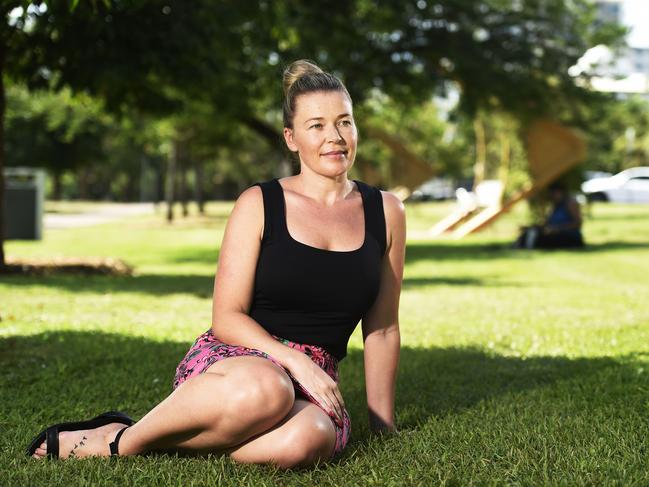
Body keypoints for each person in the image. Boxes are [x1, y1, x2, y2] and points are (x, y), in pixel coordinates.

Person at [27, 59, 406, 469]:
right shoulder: (258, 204)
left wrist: (383, 428)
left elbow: (382, 328)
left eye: (344, 122)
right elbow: (227, 316)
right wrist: (295, 361)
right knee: (270, 389)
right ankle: (120, 440)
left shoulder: (386, 211)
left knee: (311, 438)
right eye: (316, 125)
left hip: (314, 377)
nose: (334, 137)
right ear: (291, 137)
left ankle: (181, 442)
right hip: (237, 362)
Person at [515, 181, 584, 249]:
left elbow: (578, 223)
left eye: (553, 193)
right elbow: (546, 225)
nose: (551, 196)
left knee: (542, 239)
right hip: (555, 234)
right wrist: (531, 227)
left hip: (569, 236)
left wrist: (558, 229)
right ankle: (523, 246)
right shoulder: (555, 206)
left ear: (561, 192)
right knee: (530, 233)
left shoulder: (570, 203)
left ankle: (526, 246)